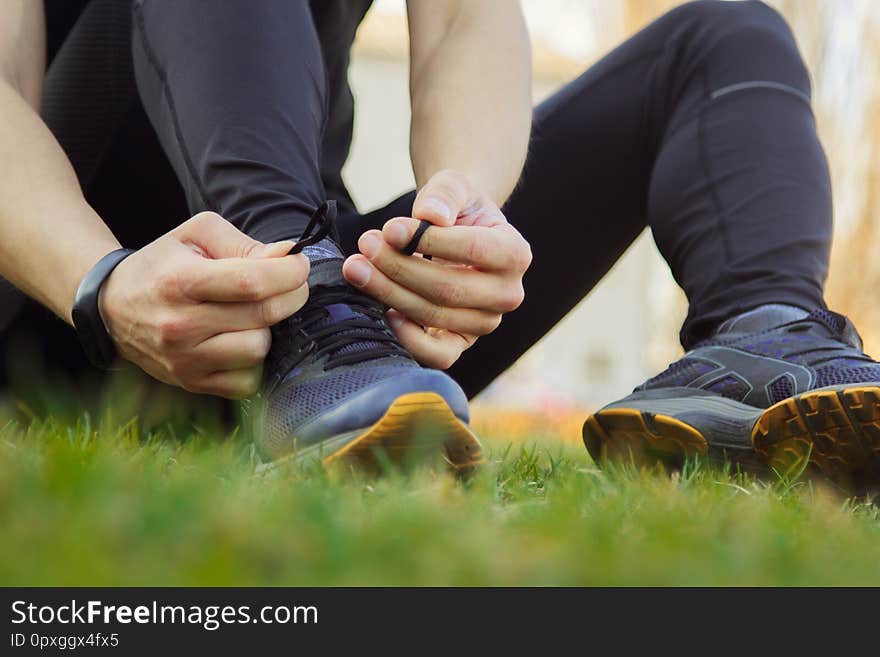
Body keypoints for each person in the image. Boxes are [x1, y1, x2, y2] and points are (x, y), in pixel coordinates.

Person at [1, 1, 878, 483]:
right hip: (68, 298)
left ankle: (767, 348)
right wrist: (100, 287)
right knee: (290, 264)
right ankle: (305, 303)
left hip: (331, 336)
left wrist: (460, 210)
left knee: (729, 38)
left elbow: (463, 18)